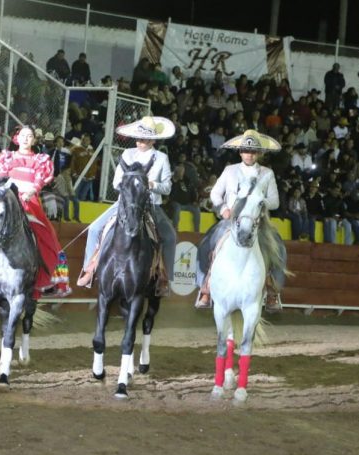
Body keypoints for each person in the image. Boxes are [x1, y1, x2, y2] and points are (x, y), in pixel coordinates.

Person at [0, 126, 71, 298]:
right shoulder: (7, 157)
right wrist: (10, 193)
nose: (26, 139)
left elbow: (40, 181)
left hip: (29, 200)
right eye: (23, 135)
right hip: (9, 196)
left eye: (30, 136)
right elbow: (2, 178)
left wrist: (33, 190)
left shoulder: (41, 160)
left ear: (34, 140)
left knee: (46, 234)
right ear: (17, 138)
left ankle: (45, 275)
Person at [76, 116, 177, 296]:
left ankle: (164, 279)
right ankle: (89, 270)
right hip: (126, 201)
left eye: (144, 139)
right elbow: (116, 183)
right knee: (94, 228)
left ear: (153, 139)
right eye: (138, 138)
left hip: (151, 203)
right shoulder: (127, 154)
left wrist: (152, 185)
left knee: (169, 236)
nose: (140, 142)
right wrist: (130, 185)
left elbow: (168, 188)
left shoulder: (162, 158)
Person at [195, 129, 286, 312]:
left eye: (252, 151)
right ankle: (206, 287)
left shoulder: (267, 173)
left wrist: (260, 202)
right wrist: (223, 208)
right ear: (240, 152)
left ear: (259, 153)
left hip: (258, 222)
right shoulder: (230, 170)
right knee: (206, 243)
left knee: (279, 247)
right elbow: (215, 193)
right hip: (231, 221)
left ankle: (272, 291)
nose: (249, 154)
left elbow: (275, 201)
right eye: (245, 150)